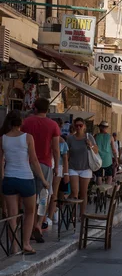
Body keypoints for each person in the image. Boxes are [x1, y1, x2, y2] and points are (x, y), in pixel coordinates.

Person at [0, 110, 49, 254]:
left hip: (9, 179)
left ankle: (14, 247)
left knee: (12, 215)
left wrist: (2, 176)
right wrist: (43, 179)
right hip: (26, 179)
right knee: (30, 212)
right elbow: (34, 160)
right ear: (21, 122)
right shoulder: (27, 137)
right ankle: (26, 244)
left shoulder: (2, 138)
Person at [22, 98, 60, 242]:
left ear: (35, 108)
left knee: (28, 197)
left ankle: (29, 227)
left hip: (28, 163)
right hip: (45, 164)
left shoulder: (26, 122)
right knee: (43, 196)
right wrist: (57, 166)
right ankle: (38, 223)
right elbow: (55, 149)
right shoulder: (53, 125)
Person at [67, 118, 98, 218]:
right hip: (73, 167)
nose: (79, 127)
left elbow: (96, 151)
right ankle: (73, 213)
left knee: (83, 192)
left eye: (81, 125)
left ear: (84, 126)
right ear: (74, 126)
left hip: (86, 168)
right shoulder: (70, 138)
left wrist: (91, 145)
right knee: (74, 191)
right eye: (77, 125)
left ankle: (82, 214)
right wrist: (65, 170)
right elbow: (67, 154)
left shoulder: (89, 137)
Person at [46, 119, 69, 225]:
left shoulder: (62, 142)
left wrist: (66, 173)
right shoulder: (47, 138)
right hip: (47, 165)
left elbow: (65, 159)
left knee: (53, 193)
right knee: (45, 193)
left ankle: (50, 216)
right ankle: (51, 212)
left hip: (58, 166)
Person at [94, 121, 117, 185]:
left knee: (99, 176)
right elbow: (113, 150)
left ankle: (100, 191)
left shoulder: (95, 136)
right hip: (108, 160)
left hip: (98, 159)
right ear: (107, 128)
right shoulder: (110, 137)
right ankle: (106, 191)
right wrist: (116, 159)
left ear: (100, 127)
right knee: (109, 176)